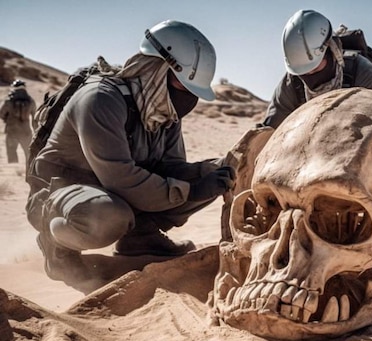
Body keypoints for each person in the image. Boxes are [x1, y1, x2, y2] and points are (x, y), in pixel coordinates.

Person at [25, 20, 236, 282]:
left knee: (219, 173)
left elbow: (171, 168)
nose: (188, 99)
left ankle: (140, 237)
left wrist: (211, 170)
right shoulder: (101, 99)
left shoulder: (163, 111)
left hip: (118, 194)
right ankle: (57, 246)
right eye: (183, 86)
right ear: (155, 69)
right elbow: (120, 177)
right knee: (108, 215)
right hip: (64, 197)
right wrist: (192, 191)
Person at [261, 9, 372, 129]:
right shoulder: (292, 84)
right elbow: (271, 131)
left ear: (333, 52)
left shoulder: (364, 75)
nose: (310, 75)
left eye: (315, 68)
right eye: (303, 73)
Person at [0, 79, 36, 164]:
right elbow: (35, 117)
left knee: (12, 152)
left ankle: (14, 170)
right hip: (26, 131)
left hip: (12, 130)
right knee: (28, 153)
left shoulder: (9, 100)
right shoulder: (30, 100)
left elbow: (1, 113)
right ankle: (29, 170)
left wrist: (6, 119)